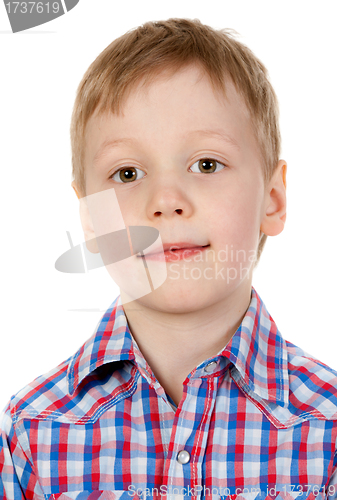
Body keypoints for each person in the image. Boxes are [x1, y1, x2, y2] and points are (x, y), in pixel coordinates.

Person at [1, 17, 337, 500]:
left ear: (273, 199)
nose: (165, 199)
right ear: (91, 218)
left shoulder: (326, 433)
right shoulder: (31, 435)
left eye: (206, 164)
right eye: (127, 172)